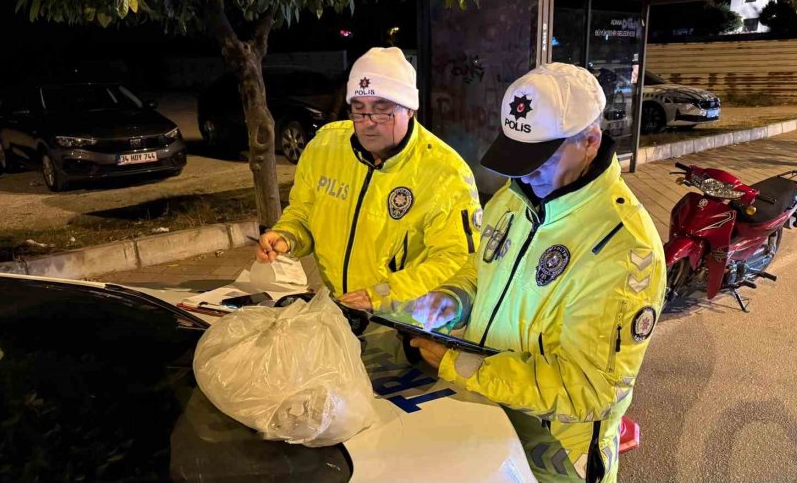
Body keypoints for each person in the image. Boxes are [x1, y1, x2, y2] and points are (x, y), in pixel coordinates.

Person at [409, 63, 666, 483]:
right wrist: (452, 299)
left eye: (539, 158)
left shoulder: (624, 248)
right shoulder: (514, 199)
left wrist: (466, 368)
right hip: (488, 421)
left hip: (556, 456)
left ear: (590, 141)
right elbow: (482, 271)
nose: (523, 173)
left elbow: (590, 389)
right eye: (515, 156)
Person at [256, 47, 482, 312]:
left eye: (381, 110)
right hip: (336, 309)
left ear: (410, 109)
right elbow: (305, 212)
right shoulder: (325, 148)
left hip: (400, 322)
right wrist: (287, 235)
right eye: (359, 109)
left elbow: (456, 262)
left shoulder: (445, 173)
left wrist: (382, 295)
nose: (368, 122)